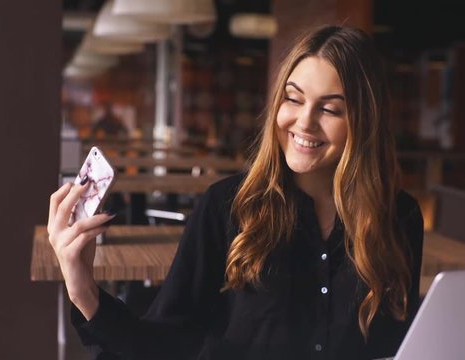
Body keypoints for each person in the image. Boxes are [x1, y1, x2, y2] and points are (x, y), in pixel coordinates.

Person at [47, 25, 423, 360]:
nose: (304, 121)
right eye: (293, 99)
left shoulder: (399, 217)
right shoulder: (225, 207)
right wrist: (84, 291)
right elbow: (165, 341)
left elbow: (399, 345)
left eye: (330, 109)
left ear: (365, 121)